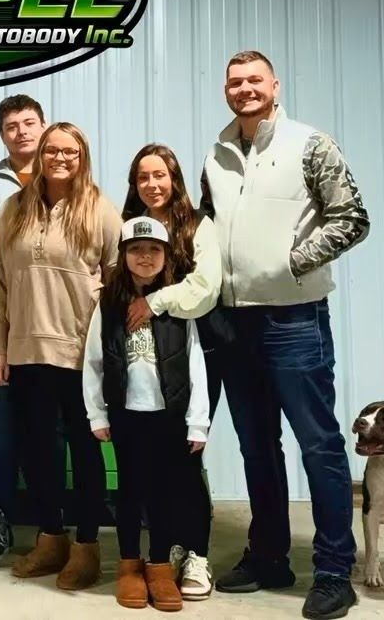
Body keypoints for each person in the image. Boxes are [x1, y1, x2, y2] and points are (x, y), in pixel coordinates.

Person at [204, 51, 370, 620]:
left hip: (294, 318)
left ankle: (332, 570)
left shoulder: (311, 144)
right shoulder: (217, 153)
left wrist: (292, 263)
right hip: (234, 321)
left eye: (254, 80)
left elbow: (352, 218)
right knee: (256, 447)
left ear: (275, 85)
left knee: (318, 444)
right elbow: (208, 229)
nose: (244, 88)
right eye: (234, 82)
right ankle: (270, 554)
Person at [0, 121, 122, 591]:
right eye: (52, 151)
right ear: (40, 155)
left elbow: (118, 279)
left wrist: (109, 350)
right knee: (37, 449)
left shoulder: (100, 209)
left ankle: (86, 546)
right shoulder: (13, 210)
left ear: (82, 156)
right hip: (26, 348)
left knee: (85, 452)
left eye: (71, 151)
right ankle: (50, 538)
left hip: (81, 350)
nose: (61, 159)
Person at [84, 216, 211, 611]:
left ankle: (158, 567)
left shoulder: (176, 304)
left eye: (153, 249)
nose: (144, 256)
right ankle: (128, 566)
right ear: (123, 255)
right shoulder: (108, 305)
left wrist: (198, 421)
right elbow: (92, 362)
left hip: (168, 417)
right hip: (126, 415)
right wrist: (97, 415)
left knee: (165, 494)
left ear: (165, 255)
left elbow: (195, 366)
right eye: (136, 249)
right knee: (129, 492)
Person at [122, 143, 220, 600]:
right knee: (149, 468)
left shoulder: (198, 225)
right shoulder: (130, 226)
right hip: (140, 364)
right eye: (143, 176)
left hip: (193, 350)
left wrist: (154, 302)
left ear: (174, 178)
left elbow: (204, 289)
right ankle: (164, 551)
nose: (152, 184)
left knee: (187, 456)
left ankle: (196, 554)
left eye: (159, 175)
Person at [0, 92, 47, 560]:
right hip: (1, 323)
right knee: (0, 430)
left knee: (49, 429)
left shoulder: (68, 173)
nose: (21, 132)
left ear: (43, 126)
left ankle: (50, 525)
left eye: (28, 123)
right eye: (11, 126)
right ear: (1, 135)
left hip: (54, 328)